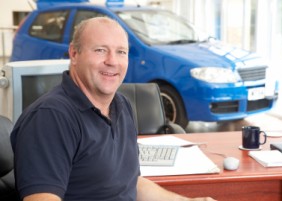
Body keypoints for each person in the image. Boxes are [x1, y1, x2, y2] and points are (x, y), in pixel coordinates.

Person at [10, 17, 216, 201]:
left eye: (121, 52)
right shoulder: (51, 117)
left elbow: (131, 184)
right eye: (100, 50)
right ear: (74, 53)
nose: (112, 61)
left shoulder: (122, 105)